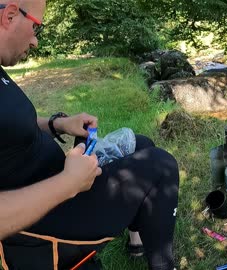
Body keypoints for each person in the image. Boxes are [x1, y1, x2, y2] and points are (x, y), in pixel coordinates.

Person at [0, 1, 179, 269]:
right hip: (38, 222)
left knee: (141, 144)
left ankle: (137, 244)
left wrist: (57, 124)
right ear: (10, 15)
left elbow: (11, 125)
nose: (36, 41)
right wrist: (69, 183)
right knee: (162, 166)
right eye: (37, 26)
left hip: (55, 182)